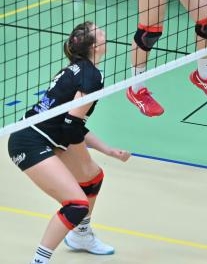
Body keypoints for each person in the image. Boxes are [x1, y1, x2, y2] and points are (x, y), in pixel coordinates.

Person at [8, 22, 131, 263]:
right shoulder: (91, 77)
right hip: (29, 142)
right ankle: (39, 261)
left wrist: (107, 150)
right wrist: (86, 154)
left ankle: (80, 237)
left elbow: (71, 122)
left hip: (44, 135)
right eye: (100, 32)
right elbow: (71, 126)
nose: (105, 32)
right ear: (95, 47)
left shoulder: (78, 68)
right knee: (76, 205)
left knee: (92, 178)